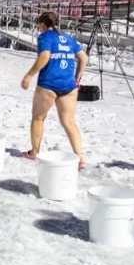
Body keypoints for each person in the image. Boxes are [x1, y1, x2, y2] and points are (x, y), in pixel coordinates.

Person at [20, 11, 88, 168]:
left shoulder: (45, 37)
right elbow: (83, 58)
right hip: (69, 86)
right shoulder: (68, 38)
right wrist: (77, 78)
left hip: (49, 84)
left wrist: (29, 75)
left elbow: (44, 56)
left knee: (38, 118)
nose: (38, 29)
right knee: (69, 122)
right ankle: (79, 158)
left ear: (43, 24)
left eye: (38, 26)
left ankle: (34, 152)